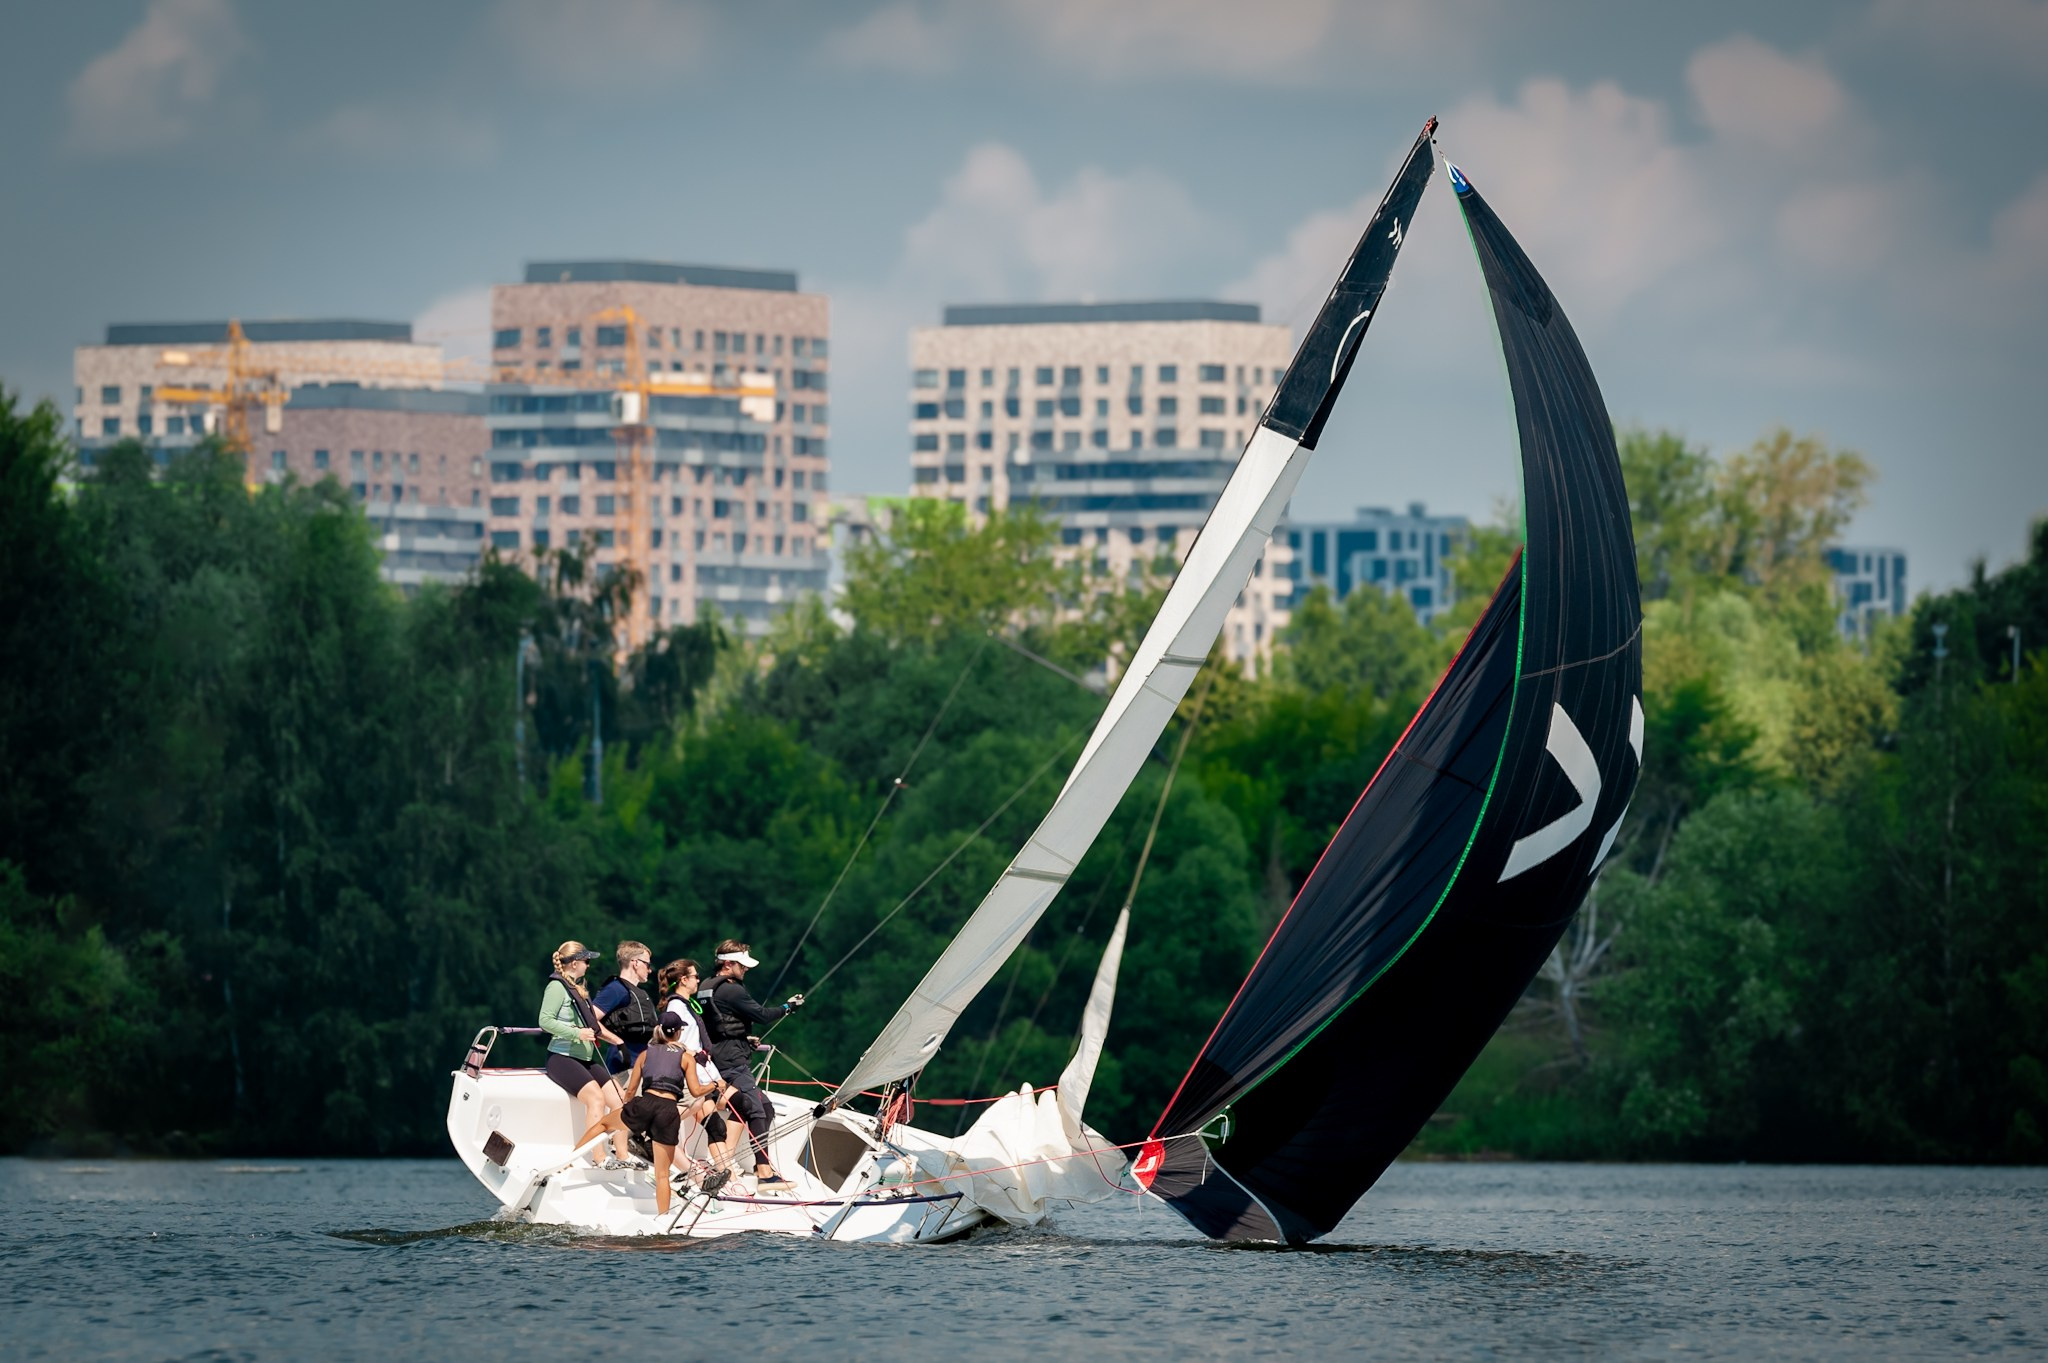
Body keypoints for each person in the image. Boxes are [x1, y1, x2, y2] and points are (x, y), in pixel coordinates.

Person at [698, 940, 803, 1188]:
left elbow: (718, 1023)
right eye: (741, 965)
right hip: (733, 1061)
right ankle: (764, 1174)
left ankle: (751, 1164)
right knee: (756, 1110)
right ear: (727, 964)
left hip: (721, 1055)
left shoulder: (706, 986)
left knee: (765, 1109)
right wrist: (788, 1007)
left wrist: (742, 1037)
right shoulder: (733, 990)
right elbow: (763, 1016)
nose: (746, 970)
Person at [617, 1014, 730, 1213]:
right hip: (651, 1094)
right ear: (677, 1032)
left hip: (654, 1097)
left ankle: (694, 1174)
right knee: (670, 1120)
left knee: (693, 1105)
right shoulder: (660, 1052)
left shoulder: (665, 1049)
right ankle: (698, 1178)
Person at [537, 940, 634, 1168]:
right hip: (562, 1058)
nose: (588, 966)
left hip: (585, 1058)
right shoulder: (556, 987)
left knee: (621, 1100)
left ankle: (623, 1155)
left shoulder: (579, 987)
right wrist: (576, 1033)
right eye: (586, 961)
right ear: (573, 964)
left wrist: (618, 1042)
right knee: (596, 1099)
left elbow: (594, 1027)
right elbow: (544, 1021)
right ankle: (598, 1158)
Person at [655, 959, 743, 1176]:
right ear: (684, 980)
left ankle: (726, 1169)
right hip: (691, 1075)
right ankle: (652, 1134)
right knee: (711, 1110)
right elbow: (672, 1041)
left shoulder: (685, 1005)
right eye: (695, 976)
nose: (698, 980)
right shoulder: (676, 1006)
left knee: (716, 1123)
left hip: (703, 1072)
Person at [590, 940, 659, 1078]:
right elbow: (589, 1019)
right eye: (647, 964)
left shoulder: (636, 992)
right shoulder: (616, 989)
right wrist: (618, 1042)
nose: (650, 970)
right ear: (635, 963)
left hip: (644, 1064)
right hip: (625, 1067)